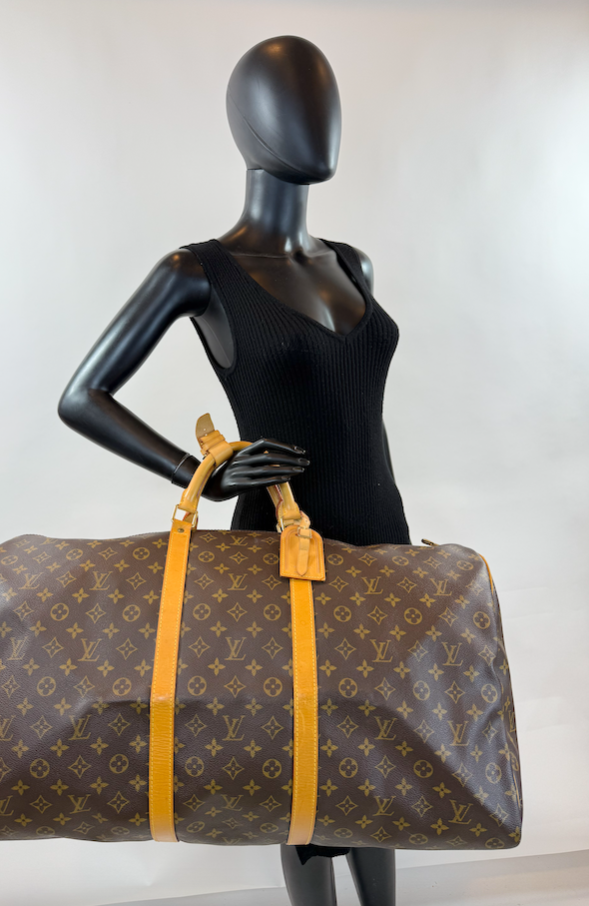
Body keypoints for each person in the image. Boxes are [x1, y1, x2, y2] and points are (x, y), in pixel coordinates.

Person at [59, 34, 409, 906]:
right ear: (248, 122)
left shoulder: (351, 263)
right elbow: (82, 396)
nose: (320, 122)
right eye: (297, 103)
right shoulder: (199, 272)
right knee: (305, 760)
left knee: (374, 748)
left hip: (380, 536)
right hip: (281, 546)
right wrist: (203, 470)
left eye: (325, 102)